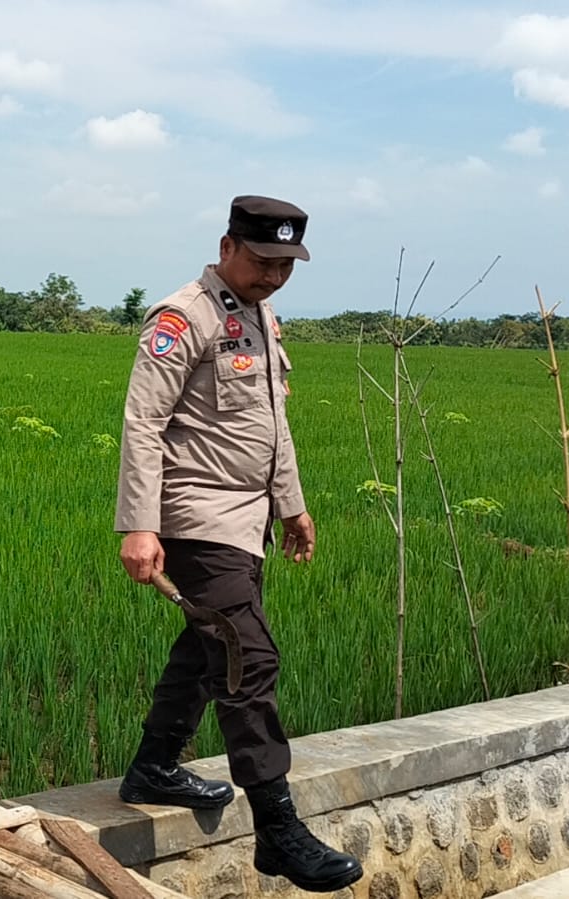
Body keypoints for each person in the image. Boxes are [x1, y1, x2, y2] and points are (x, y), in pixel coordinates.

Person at [113, 195, 362, 893]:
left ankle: (153, 766)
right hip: (195, 514)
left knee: (206, 647)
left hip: (247, 519)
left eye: (286, 264)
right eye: (262, 261)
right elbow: (142, 423)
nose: (274, 275)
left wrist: (292, 506)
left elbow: (273, 424)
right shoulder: (181, 317)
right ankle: (277, 829)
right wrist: (138, 524)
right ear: (227, 248)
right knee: (245, 654)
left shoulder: (261, 317)